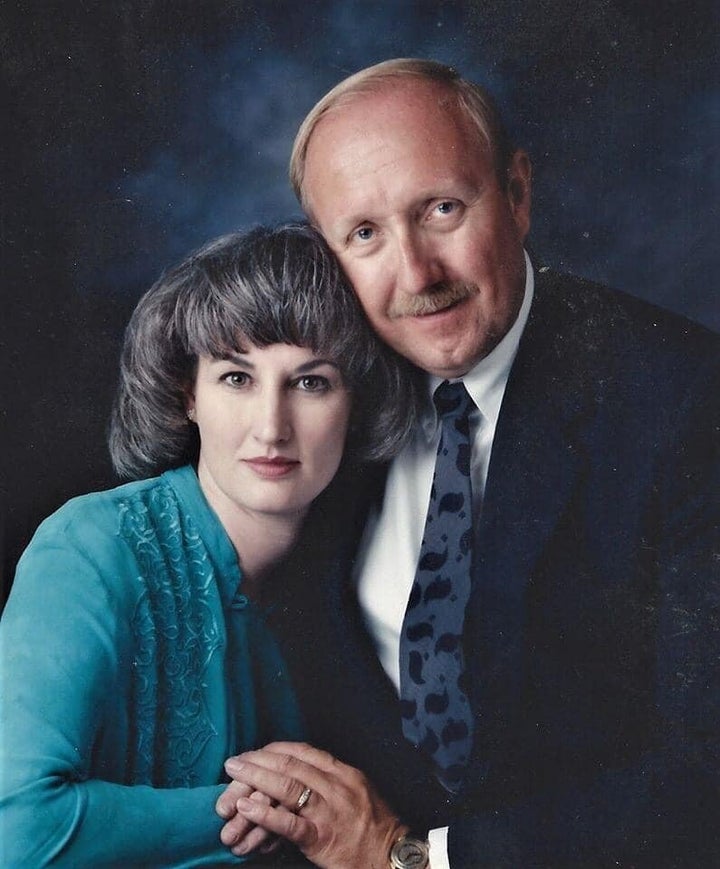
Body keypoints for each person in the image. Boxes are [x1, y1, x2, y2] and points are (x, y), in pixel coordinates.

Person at [217, 59, 720, 867]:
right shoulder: (323, 401)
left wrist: (408, 856)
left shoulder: (687, 401)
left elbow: (707, 775)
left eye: (442, 209)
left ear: (517, 195)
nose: (416, 275)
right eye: (366, 234)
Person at [0, 222, 416, 867]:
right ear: (187, 394)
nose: (271, 427)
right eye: (236, 379)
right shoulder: (90, 549)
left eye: (311, 382)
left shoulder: (350, 571)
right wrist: (276, 813)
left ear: (356, 403)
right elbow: (17, 829)